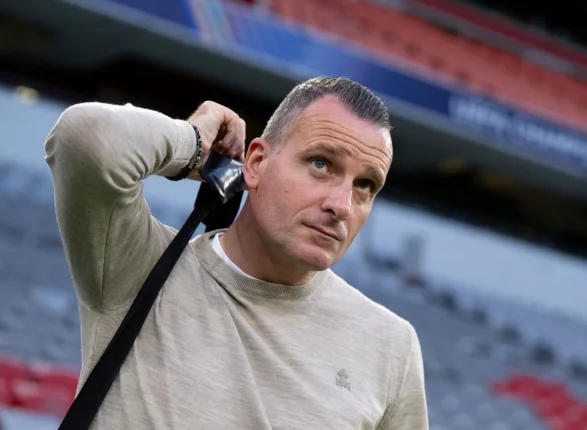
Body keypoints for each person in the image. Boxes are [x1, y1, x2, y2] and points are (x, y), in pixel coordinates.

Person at [44, 76, 428, 429]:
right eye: (321, 163)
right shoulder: (140, 264)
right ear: (256, 163)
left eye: (365, 184)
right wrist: (194, 145)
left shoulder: (391, 345)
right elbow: (86, 137)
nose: (343, 204)